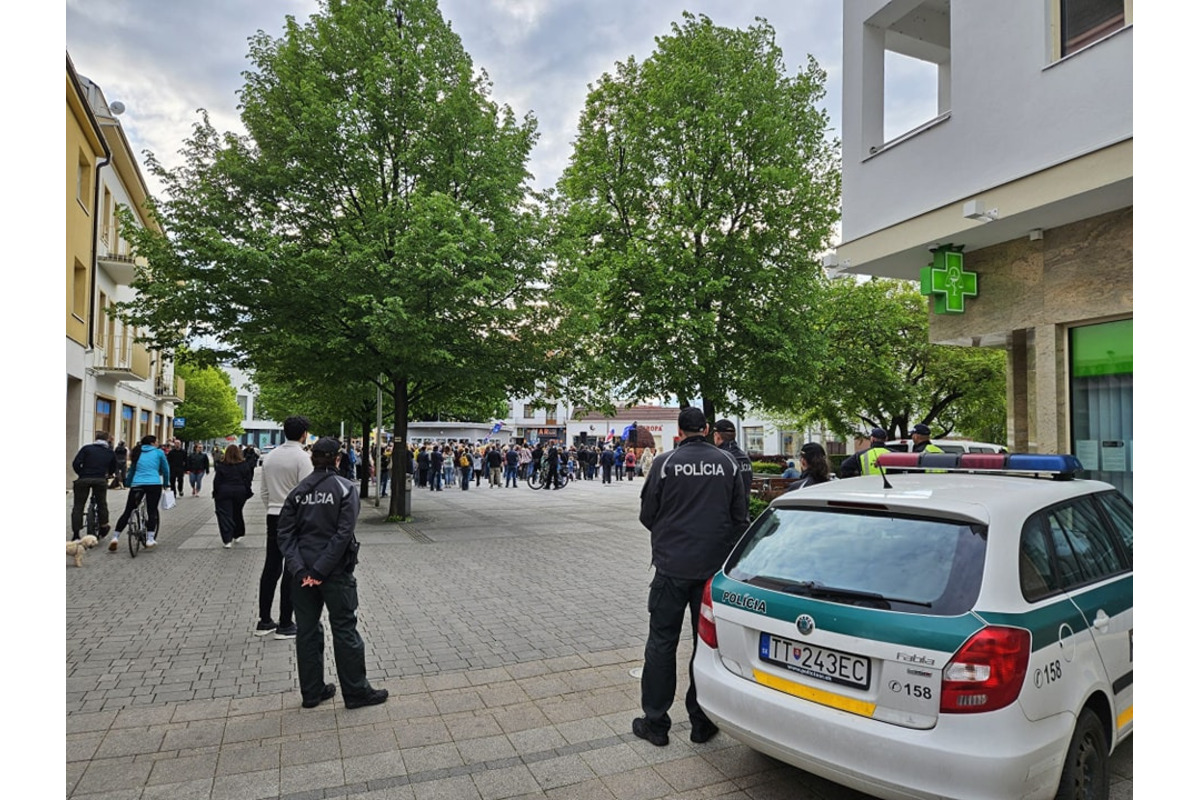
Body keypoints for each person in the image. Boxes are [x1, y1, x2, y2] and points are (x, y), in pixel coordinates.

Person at [633, 407, 748, 748]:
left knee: (661, 643)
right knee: (707, 646)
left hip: (671, 568)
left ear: (680, 430)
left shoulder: (665, 463)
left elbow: (647, 514)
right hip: (711, 572)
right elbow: (739, 518)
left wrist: (670, 537)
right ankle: (701, 722)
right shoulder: (727, 464)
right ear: (707, 428)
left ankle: (656, 723)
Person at [277, 437, 388, 710]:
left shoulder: (298, 492)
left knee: (307, 631)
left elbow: (285, 534)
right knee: (344, 628)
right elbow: (343, 534)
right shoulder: (345, 488)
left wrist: (300, 569)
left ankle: (312, 692)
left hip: (301, 574)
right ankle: (356, 691)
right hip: (334, 572)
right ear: (337, 459)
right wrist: (320, 569)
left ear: (312, 458)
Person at [258, 415, 313, 640]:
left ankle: (264, 620)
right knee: (292, 568)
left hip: (273, 514)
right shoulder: (303, 458)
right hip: (295, 518)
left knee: (271, 566)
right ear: (303, 434)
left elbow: (263, 492)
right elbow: (307, 492)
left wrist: (273, 506)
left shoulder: (270, 457)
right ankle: (285, 622)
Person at [109, 434, 170, 551]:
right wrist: (166, 483)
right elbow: (166, 469)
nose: (157, 443)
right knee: (151, 511)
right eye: (156, 441)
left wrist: (128, 483)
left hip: (137, 484)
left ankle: (115, 537)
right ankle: (150, 539)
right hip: (154, 484)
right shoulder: (159, 453)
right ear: (152, 443)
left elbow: (132, 469)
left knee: (128, 511)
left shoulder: (137, 452)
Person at [71, 431, 117, 541]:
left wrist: (81, 473)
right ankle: (103, 526)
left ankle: (76, 534)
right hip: (100, 480)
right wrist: (109, 474)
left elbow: (76, 463)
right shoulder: (110, 452)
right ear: (107, 440)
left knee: (78, 506)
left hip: (83, 479)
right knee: (102, 503)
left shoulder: (86, 449)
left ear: (95, 438)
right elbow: (113, 467)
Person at [213, 444, 254, 548]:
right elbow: (248, 480)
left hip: (224, 492)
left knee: (225, 515)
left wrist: (215, 492)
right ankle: (238, 533)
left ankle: (227, 539)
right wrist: (247, 491)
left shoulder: (222, 465)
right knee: (237, 512)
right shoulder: (244, 465)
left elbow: (217, 481)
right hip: (240, 492)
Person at [712, 419, 753, 522]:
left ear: (717, 436)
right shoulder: (744, 457)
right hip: (744, 516)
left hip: (726, 519)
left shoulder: (721, 458)